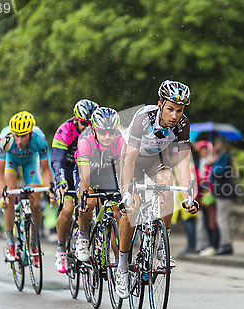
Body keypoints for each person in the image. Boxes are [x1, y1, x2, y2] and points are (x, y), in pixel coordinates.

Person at [121, 80, 199, 285]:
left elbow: (183, 162)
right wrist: (126, 193)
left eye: (179, 110)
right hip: (134, 159)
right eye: (170, 109)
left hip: (156, 157)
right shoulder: (143, 119)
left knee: (167, 182)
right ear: (160, 105)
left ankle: (162, 247)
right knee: (133, 208)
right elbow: (129, 159)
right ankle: (122, 268)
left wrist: (188, 196)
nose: (175, 116)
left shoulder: (183, 124)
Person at [74, 107, 129, 297]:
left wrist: (125, 195)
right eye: (103, 132)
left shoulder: (120, 141)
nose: (107, 136)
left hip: (108, 174)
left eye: (111, 132)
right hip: (88, 173)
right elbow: (84, 177)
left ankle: (120, 264)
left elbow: (124, 173)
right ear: (94, 128)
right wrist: (84, 198)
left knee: (118, 211)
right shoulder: (85, 141)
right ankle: (83, 236)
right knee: (88, 204)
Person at [0, 111, 54, 262]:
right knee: (10, 196)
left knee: (35, 202)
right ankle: (10, 243)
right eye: (16, 136)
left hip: (30, 163)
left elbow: (46, 170)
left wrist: (50, 190)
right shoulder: (4, 139)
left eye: (23, 136)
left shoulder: (40, 139)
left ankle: (34, 241)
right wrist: (3, 195)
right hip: (11, 161)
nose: (19, 140)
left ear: (31, 134)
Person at [51, 99, 99, 273]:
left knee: (94, 202)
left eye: (90, 124)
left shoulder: (99, 131)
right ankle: (61, 249)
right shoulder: (65, 130)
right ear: (75, 119)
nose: (87, 128)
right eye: (83, 123)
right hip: (68, 168)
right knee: (67, 208)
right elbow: (57, 160)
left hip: (88, 168)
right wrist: (61, 182)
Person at [210, 136, 236, 255]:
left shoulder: (224, 156)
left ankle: (226, 245)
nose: (214, 145)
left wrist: (212, 164)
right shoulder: (222, 156)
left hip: (225, 191)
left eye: (216, 143)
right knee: (222, 219)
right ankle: (226, 243)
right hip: (222, 191)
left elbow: (219, 172)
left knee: (222, 219)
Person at [195, 141, 219, 256]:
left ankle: (214, 245)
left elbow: (211, 177)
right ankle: (204, 245)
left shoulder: (213, 162)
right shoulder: (197, 163)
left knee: (212, 221)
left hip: (210, 194)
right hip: (201, 195)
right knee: (204, 221)